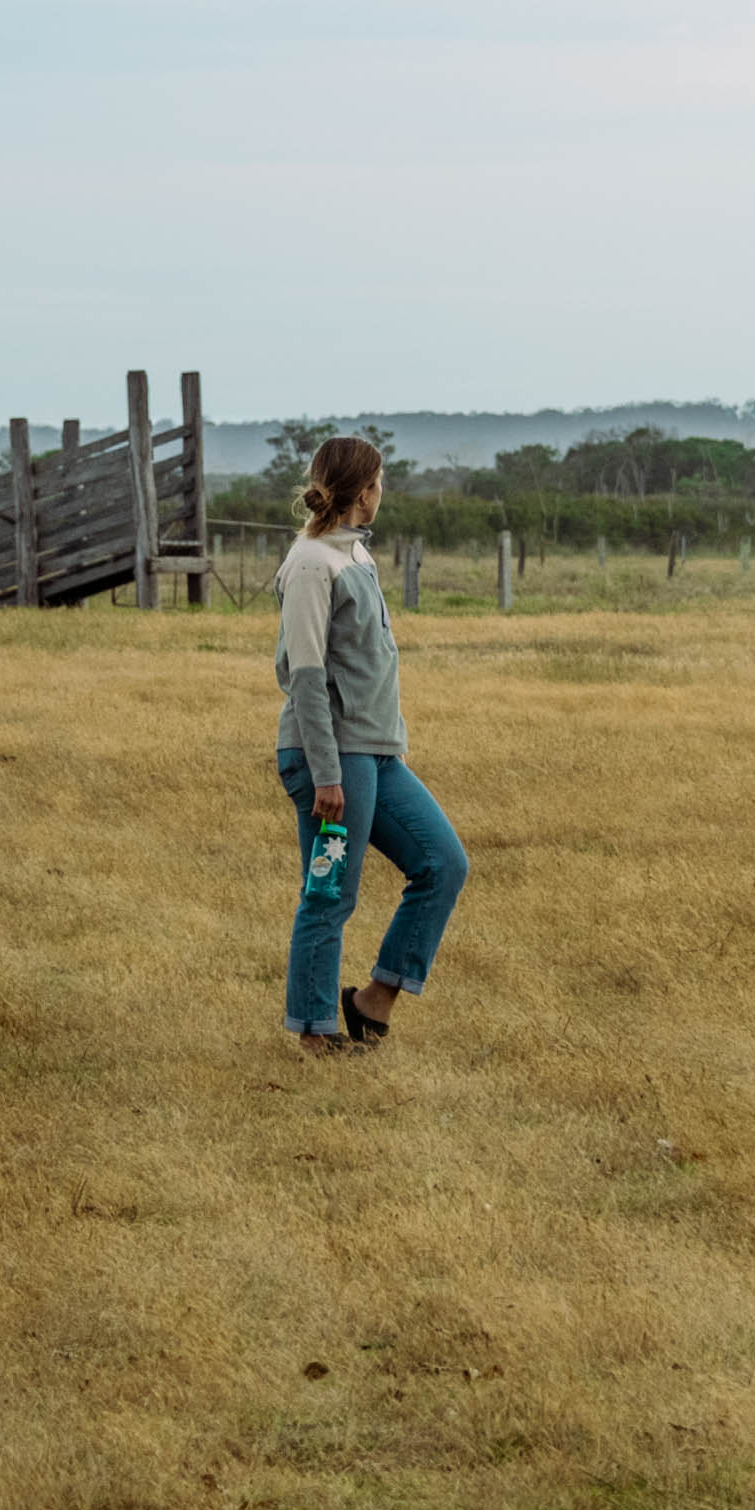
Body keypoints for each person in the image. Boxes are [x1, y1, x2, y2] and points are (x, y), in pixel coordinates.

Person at [273, 435, 468, 1052]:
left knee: (442, 865)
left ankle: (371, 1003)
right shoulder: (311, 563)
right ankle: (315, 1030)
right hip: (329, 756)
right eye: (381, 481)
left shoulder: (354, 555)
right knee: (330, 892)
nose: (384, 492)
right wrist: (326, 774)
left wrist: (388, 748)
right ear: (364, 491)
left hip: (377, 756)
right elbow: (305, 674)